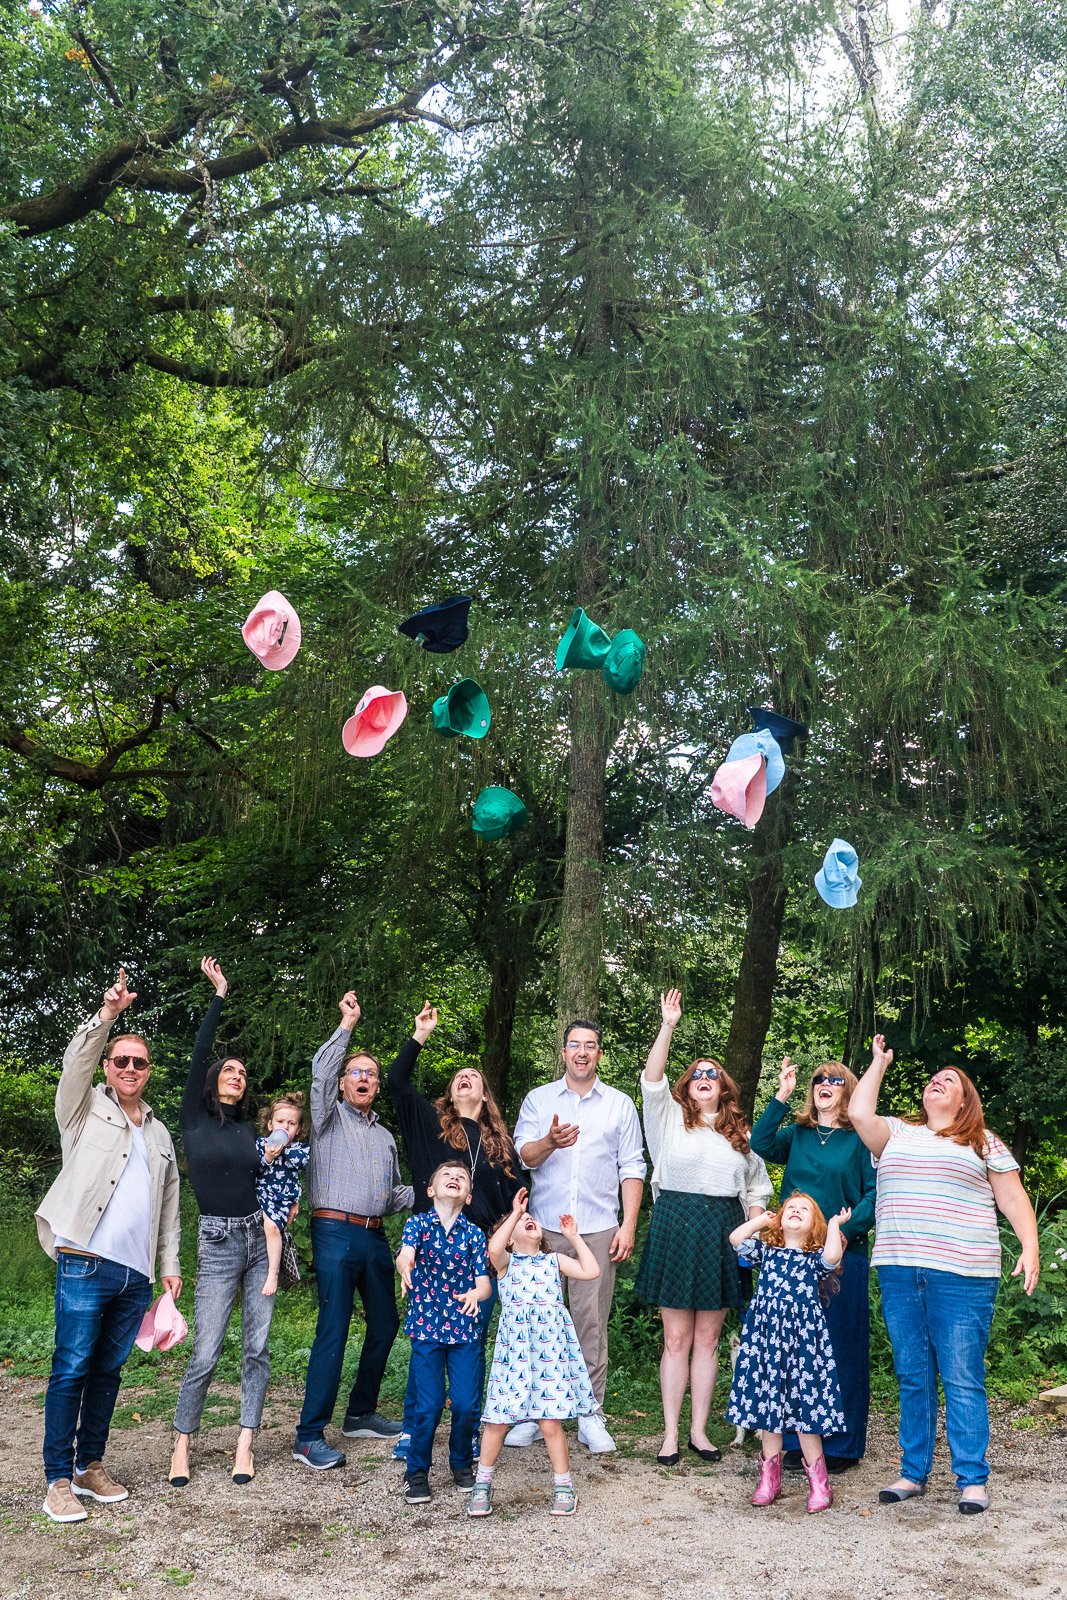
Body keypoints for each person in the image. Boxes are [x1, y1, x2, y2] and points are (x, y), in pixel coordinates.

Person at [849, 1035, 1040, 1514]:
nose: (937, 1081)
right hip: (900, 1270)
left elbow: (1012, 1198)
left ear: (964, 1099)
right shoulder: (896, 1133)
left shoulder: (981, 1140)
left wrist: (1031, 1247)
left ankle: (972, 1479)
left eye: (948, 1080)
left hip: (963, 1274)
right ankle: (913, 1474)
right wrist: (877, 1064)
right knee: (913, 1376)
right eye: (934, 1079)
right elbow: (858, 1114)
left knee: (961, 1377)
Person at [35, 967, 182, 1523]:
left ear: (147, 1072)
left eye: (138, 1062)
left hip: (133, 1273)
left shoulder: (160, 1133)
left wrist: (169, 1265)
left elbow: (169, 1207)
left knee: (108, 1371)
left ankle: (89, 1466)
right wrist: (108, 1016)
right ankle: (56, 1480)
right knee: (71, 1366)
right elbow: (75, 1061)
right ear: (107, 1066)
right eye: (120, 1059)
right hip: (84, 1261)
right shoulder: (83, 1108)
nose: (128, 1068)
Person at [633, 990, 772, 1465]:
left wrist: (754, 1233)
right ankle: (670, 1434)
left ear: (725, 1087)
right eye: (697, 1074)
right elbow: (652, 1081)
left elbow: (758, 1191)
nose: (705, 1078)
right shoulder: (667, 1119)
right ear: (687, 1086)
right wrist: (668, 1025)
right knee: (676, 1338)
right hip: (676, 1221)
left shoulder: (742, 1134)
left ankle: (699, 1431)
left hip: (722, 1229)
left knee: (710, 1339)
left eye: (713, 1074)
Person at [387, 1000, 523, 1459]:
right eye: (458, 1075)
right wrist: (419, 1034)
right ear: (451, 1091)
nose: (466, 1077)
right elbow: (398, 1083)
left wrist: (499, 1242)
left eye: (475, 1076)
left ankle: (465, 1435)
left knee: (470, 1345)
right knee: (425, 1347)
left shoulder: (499, 1143)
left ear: (484, 1096)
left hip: (477, 1254)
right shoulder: (431, 1125)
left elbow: (517, 1199)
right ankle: (413, 1432)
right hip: (429, 1246)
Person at [510, 1018, 646, 1453]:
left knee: (590, 1323)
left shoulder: (620, 1104)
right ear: (564, 1052)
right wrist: (550, 1140)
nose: (582, 1052)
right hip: (543, 1230)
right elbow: (524, 1155)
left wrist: (627, 1224)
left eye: (590, 1045)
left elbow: (633, 1167)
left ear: (599, 1053)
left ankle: (590, 1413)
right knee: (536, 1321)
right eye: (574, 1045)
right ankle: (534, 1412)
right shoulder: (539, 1099)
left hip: (598, 1229)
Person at [292, 991, 414, 1470]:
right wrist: (347, 1026)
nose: (365, 1078)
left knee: (386, 1323)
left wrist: (440, 1187)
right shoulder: (325, 1119)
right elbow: (320, 1072)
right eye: (357, 1072)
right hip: (334, 1233)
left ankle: (360, 1412)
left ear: (378, 1087)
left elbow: (394, 1196)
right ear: (344, 1083)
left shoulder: (385, 1137)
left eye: (372, 1075)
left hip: (374, 1236)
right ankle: (308, 1435)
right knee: (335, 1327)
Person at [169, 957, 269, 1488]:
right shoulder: (195, 1117)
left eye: (243, 1073)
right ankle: (182, 1442)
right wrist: (219, 995)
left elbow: (269, 1181)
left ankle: (244, 1442)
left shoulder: (249, 1131)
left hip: (258, 1240)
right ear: (213, 1082)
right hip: (217, 1242)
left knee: (257, 1346)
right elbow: (199, 1052)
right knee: (206, 1350)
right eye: (230, 1071)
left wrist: (283, 1207)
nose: (237, 1075)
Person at [750, 1052, 876, 1471]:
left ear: (849, 1091)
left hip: (842, 1257)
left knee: (839, 1349)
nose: (824, 1083)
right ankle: (791, 1442)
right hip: (790, 1258)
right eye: (819, 1079)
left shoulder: (861, 1139)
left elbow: (875, 1195)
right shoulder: (798, 1134)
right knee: (790, 1353)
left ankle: (840, 1447)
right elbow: (760, 1143)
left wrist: (841, 1231)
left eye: (835, 1080)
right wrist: (781, 1096)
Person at [471, 1187, 599, 1517]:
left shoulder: (553, 1261)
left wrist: (574, 1236)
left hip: (550, 1353)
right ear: (510, 1238)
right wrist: (515, 1211)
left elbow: (591, 1270)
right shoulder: (506, 1263)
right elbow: (493, 1247)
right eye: (522, 1221)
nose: (529, 1220)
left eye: (531, 1219)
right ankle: (482, 1485)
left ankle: (563, 1487)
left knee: (550, 1423)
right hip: (514, 1356)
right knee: (497, 1422)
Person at [726, 1195, 849, 1514]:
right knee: (770, 1414)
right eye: (789, 1208)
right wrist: (760, 1221)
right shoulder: (767, 1252)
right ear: (779, 1221)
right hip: (768, 1345)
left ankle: (820, 1485)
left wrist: (834, 1225)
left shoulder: (813, 1258)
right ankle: (769, 1480)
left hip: (803, 1348)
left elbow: (833, 1256)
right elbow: (736, 1238)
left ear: (813, 1227)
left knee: (806, 1416)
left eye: (804, 1209)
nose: (795, 1210)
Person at [395, 1161, 491, 1504]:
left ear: (467, 1196)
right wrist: (405, 1266)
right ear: (431, 1190)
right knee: (429, 1404)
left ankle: (462, 1461)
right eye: (446, 1176)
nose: (455, 1178)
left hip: (464, 1330)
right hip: (427, 1328)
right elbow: (405, 1255)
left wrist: (475, 1295)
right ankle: (416, 1471)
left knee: (466, 1404)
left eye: (462, 1177)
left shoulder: (475, 1234)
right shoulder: (418, 1224)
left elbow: (484, 1284)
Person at [256, 1093, 310, 1296]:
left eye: (291, 1123)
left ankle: (274, 1273)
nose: (285, 1127)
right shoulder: (261, 1144)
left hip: (282, 1199)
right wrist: (268, 1157)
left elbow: (301, 1162)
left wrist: (283, 1149)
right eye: (280, 1121)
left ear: (298, 1129)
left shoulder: (299, 1149)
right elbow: (256, 1169)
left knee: (271, 1227)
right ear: (270, 1124)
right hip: (262, 1194)